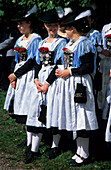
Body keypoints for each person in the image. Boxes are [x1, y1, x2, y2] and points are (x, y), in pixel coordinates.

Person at [41, 9, 98, 166]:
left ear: (73, 29)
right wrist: (48, 82)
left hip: (80, 84)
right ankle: (78, 151)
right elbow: (58, 66)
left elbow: (87, 67)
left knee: (82, 118)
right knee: (75, 118)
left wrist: (70, 71)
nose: (63, 31)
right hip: (69, 85)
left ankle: (84, 154)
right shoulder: (69, 44)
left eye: (66, 28)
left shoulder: (84, 43)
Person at [24, 9, 67, 164]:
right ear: (45, 26)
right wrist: (36, 78)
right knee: (37, 109)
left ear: (58, 25)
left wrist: (48, 83)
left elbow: (58, 64)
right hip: (41, 77)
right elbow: (37, 62)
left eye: (54, 26)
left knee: (53, 109)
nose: (52, 29)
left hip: (53, 79)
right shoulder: (42, 42)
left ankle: (55, 145)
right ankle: (32, 147)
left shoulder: (62, 42)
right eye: (49, 26)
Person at [4, 4, 42, 150]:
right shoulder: (20, 40)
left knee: (30, 107)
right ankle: (28, 140)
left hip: (29, 75)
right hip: (19, 76)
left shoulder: (36, 39)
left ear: (29, 23)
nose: (19, 26)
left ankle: (33, 143)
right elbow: (16, 60)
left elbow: (32, 60)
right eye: (18, 24)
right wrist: (13, 77)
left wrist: (16, 74)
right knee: (22, 107)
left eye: (22, 23)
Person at [0, 7, 20, 91]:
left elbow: (11, 40)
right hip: (4, 54)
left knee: (8, 70)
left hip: (10, 54)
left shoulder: (13, 28)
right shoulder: (5, 27)